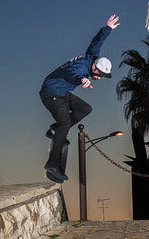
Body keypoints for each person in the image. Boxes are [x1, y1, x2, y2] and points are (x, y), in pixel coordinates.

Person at [40, 15, 120, 183]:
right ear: (95, 68)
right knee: (64, 123)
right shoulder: (81, 67)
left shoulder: (92, 56)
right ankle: (53, 164)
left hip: (62, 92)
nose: (99, 78)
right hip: (51, 93)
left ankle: (55, 131)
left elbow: (97, 42)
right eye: (99, 75)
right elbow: (72, 73)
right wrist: (81, 80)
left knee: (85, 109)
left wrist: (108, 28)